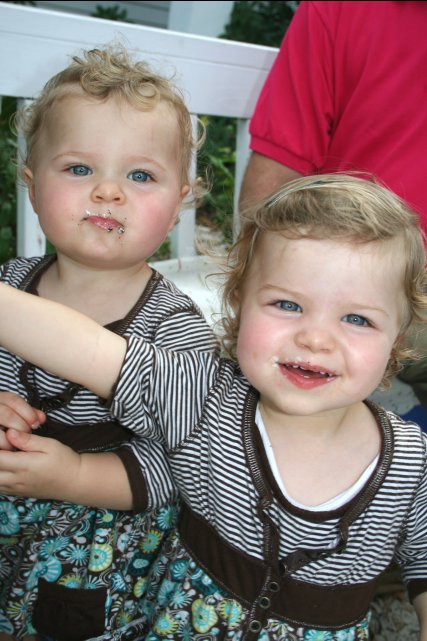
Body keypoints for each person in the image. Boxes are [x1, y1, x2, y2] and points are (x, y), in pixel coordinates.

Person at [0, 174, 426, 640]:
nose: (315, 338)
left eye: (357, 319)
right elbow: (86, 349)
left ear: (397, 338)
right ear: (239, 304)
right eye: (287, 304)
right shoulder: (201, 399)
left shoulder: (411, 464)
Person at [0, 45, 218, 641]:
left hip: (96, 554)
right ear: (32, 186)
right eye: (78, 169)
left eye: (140, 176)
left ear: (178, 206)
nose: (107, 191)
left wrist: (75, 476)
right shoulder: (10, 287)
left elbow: (188, 461)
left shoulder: (174, 327)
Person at [239, 0, 427, 414]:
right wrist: (258, 280)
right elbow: (274, 181)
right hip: (342, 260)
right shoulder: (342, 7)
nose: (315, 341)